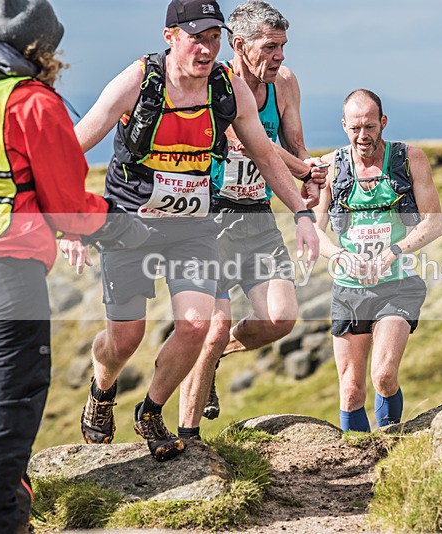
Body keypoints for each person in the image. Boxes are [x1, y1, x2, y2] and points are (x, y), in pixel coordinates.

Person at [63, 0, 319, 461]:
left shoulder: (228, 90)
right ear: (171, 37)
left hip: (193, 227)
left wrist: (302, 213)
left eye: (213, 38)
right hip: (129, 221)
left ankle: (151, 410)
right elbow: (72, 147)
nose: (206, 48)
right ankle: (102, 390)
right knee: (125, 340)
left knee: (199, 325)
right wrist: (69, 224)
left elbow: (265, 153)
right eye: (196, 37)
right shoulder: (139, 81)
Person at [0, 0, 150, 531]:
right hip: (3, 271)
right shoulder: (32, 103)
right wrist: (120, 224)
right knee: (11, 402)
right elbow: (68, 206)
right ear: (41, 48)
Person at [178, 0, 327, 438]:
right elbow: (255, 141)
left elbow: (292, 140)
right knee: (212, 326)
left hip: (257, 217)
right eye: (270, 47)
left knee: (280, 318)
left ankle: (214, 355)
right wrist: (299, 169)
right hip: (211, 217)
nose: (279, 56)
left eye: (283, 46)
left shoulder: (284, 82)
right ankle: (189, 439)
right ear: (239, 46)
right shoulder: (216, 84)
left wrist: (310, 174)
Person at [313, 90, 442, 431]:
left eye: (370, 126)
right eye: (355, 128)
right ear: (343, 126)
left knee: (384, 375)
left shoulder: (409, 159)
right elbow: (313, 231)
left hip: (397, 284)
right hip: (349, 289)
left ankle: (390, 444)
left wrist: (393, 252)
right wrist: (340, 256)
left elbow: (434, 222)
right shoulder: (329, 166)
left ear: (383, 122)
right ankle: (360, 465)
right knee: (351, 390)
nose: (363, 136)